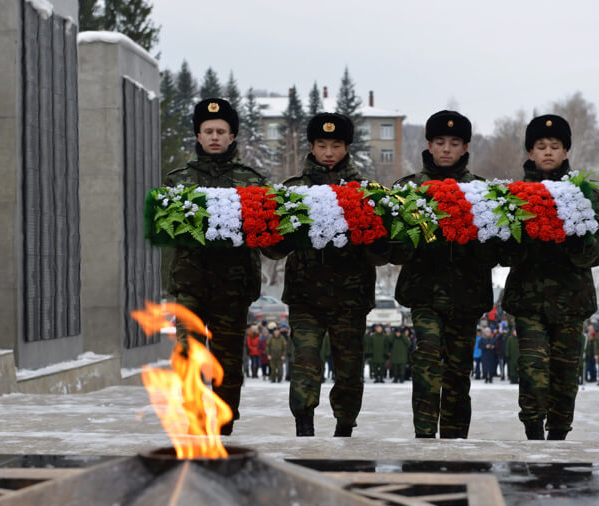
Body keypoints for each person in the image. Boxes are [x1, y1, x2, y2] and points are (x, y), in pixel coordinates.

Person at [268, 112, 388, 437]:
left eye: (336, 145)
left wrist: (375, 236)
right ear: (312, 146)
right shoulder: (293, 191)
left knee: (348, 370)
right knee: (304, 364)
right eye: (322, 145)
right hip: (305, 297)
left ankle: (344, 428)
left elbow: (382, 255)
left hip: (351, 298)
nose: (329, 152)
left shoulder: (367, 192)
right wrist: (280, 235)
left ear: (347, 147)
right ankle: (303, 427)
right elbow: (272, 249)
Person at [500, 114, 599, 440]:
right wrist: (518, 237)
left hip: (571, 300)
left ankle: (559, 437)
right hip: (528, 300)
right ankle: (534, 432)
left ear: (565, 151)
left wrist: (578, 240)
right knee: (533, 369)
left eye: (555, 146)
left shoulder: (585, 193)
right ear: (530, 152)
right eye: (541, 146)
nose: (548, 152)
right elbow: (501, 253)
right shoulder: (514, 194)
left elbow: (598, 249)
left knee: (565, 373)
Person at [165, 98, 266, 435]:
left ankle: (224, 422)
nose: (214, 137)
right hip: (190, 284)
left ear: (232, 136)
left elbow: (264, 233)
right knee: (187, 353)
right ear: (198, 135)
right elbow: (165, 232)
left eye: (221, 131)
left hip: (233, 286)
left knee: (228, 361)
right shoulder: (177, 181)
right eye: (208, 131)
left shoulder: (251, 181)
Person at [393, 110, 495, 439]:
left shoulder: (483, 191)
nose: (446, 149)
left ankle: (455, 441)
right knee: (426, 358)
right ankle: (424, 436)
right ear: (429, 145)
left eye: (454, 142)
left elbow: (497, 251)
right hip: (423, 292)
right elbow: (392, 248)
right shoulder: (408, 189)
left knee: (458, 371)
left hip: (467, 295)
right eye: (440, 142)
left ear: (465, 147)